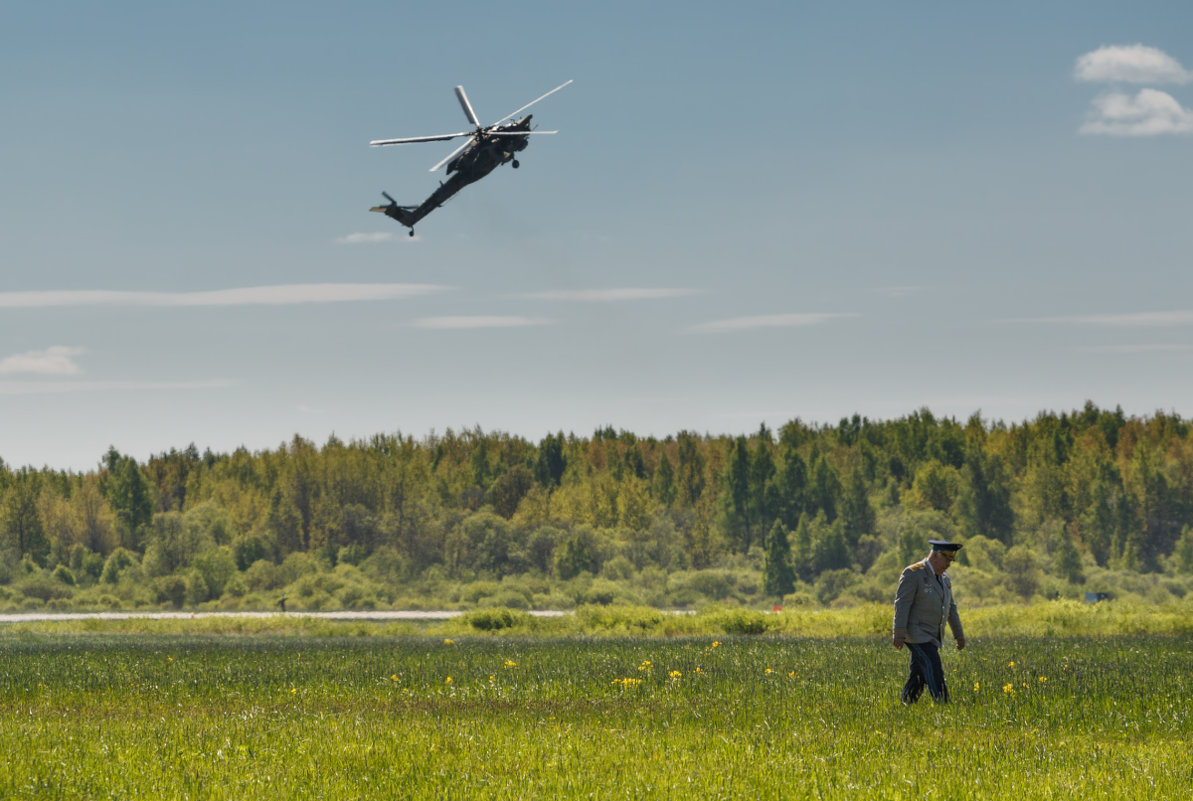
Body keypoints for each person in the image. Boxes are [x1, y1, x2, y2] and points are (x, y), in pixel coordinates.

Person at [892, 539, 966, 703]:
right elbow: (902, 604)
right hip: (916, 634)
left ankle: (907, 703)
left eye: (950, 560)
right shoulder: (913, 573)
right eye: (946, 559)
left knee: (919, 674)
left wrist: (959, 634)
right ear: (935, 555)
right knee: (933, 666)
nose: (948, 564)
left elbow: (951, 608)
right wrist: (899, 632)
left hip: (933, 635)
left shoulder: (945, 579)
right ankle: (943, 703)